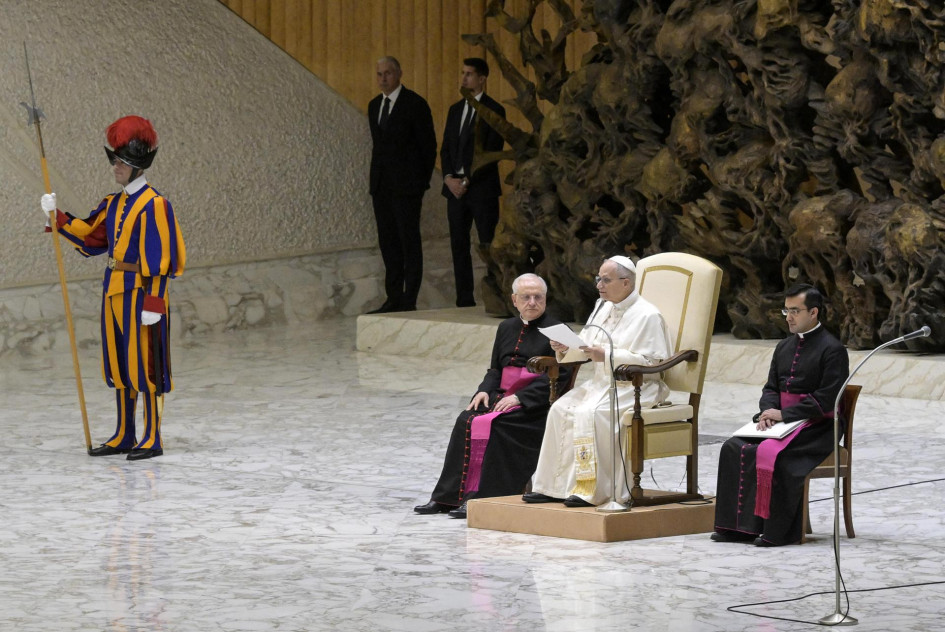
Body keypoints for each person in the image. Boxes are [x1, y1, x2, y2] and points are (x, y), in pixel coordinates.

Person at [41, 115, 186, 460]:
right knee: (120, 366)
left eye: (121, 161)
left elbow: (163, 258)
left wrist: (154, 303)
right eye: (114, 159)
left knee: (146, 367)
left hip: (142, 296)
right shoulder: (114, 203)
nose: (115, 166)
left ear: (137, 165)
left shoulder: (156, 205)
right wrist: (57, 216)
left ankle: (151, 437)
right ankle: (125, 433)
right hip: (114, 293)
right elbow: (92, 235)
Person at [414, 273, 572, 519]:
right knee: (465, 419)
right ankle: (446, 498)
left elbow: (561, 375)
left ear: (545, 299)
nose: (532, 302)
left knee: (498, 424)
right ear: (514, 300)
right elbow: (495, 370)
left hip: (536, 405)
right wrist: (483, 390)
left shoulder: (559, 331)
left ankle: (481, 498)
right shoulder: (506, 327)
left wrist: (521, 398)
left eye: (537, 297)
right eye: (526, 297)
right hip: (500, 397)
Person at [525, 256, 673, 507]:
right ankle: (552, 486)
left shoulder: (648, 315)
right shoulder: (602, 307)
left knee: (592, 413)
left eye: (606, 280)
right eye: (598, 279)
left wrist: (606, 355)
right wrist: (564, 346)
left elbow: (653, 362)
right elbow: (585, 344)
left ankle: (591, 489)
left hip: (636, 387)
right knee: (560, 409)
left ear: (626, 283)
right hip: (601, 384)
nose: (599, 285)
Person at [711, 284, 849, 546]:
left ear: (814, 312)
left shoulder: (833, 349)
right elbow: (771, 387)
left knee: (778, 456)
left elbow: (827, 398)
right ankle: (737, 528)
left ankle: (779, 533)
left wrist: (784, 414)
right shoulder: (784, 347)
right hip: (782, 421)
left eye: (795, 311)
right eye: (786, 310)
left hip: (818, 425)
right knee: (732, 448)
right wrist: (768, 412)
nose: (788, 316)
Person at [366, 56, 437, 313]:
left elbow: (428, 148)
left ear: (398, 74)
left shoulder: (415, 104)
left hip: (407, 188)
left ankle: (410, 298)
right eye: (379, 74)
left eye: (387, 73)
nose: (383, 78)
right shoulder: (375, 106)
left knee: (409, 242)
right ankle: (393, 296)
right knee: (388, 241)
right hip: (382, 187)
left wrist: (420, 183)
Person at [440, 57, 506, 308]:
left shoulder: (494, 110)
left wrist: (466, 180)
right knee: (458, 243)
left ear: (482, 79)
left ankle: (496, 295)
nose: (464, 78)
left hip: (481, 188)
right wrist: (448, 178)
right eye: (463, 73)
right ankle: (464, 298)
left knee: (488, 243)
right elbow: (446, 148)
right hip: (454, 189)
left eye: (469, 74)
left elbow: (491, 152)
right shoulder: (455, 109)